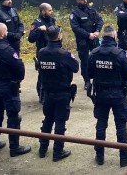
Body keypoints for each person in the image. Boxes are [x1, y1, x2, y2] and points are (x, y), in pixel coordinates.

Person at [88, 26, 127, 167]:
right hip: (118, 94)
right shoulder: (120, 54)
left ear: (103, 37)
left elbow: (89, 74)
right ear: (114, 37)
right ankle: (124, 158)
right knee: (121, 125)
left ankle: (100, 156)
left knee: (101, 124)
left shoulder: (94, 53)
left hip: (101, 94)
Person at [0, 23, 31, 157]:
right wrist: (17, 80)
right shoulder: (7, 50)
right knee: (13, 117)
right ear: (3, 33)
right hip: (8, 86)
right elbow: (19, 69)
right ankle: (14, 147)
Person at [37, 26, 79, 162]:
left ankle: (42, 149)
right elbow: (76, 67)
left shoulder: (41, 52)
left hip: (48, 92)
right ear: (59, 36)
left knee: (48, 119)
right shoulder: (64, 54)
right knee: (60, 121)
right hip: (61, 92)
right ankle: (57, 151)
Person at [69, 0, 104, 90]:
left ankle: (97, 79)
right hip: (83, 41)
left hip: (94, 39)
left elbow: (100, 20)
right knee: (85, 62)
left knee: (97, 59)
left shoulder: (92, 10)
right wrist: (88, 35)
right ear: (78, 0)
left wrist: (97, 31)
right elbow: (75, 28)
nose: (84, 0)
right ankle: (87, 81)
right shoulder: (74, 13)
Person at [28, 3, 56, 103]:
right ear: (43, 11)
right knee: (42, 74)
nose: (51, 12)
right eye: (49, 10)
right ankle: (41, 95)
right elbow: (31, 39)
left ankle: (51, 94)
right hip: (42, 52)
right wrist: (38, 30)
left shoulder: (52, 21)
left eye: (51, 10)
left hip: (53, 51)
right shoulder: (36, 23)